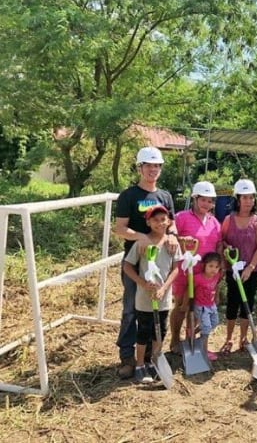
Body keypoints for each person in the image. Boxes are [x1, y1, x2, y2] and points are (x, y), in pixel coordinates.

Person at [113, 146, 179, 379]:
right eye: (149, 165)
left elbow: (172, 224)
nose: (153, 170)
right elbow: (119, 228)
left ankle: (150, 357)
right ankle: (128, 357)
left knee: (157, 311)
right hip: (136, 261)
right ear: (140, 168)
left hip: (160, 262)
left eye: (157, 166)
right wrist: (140, 236)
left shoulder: (165, 196)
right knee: (132, 309)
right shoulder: (129, 196)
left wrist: (172, 235)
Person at [122, 205, 181, 383]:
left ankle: (154, 360)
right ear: (148, 222)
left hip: (163, 299)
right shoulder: (142, 243)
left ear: (169, 221)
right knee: (144, 331)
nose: (160, 223)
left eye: (163, 219)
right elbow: (127, 266)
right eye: (155, 220)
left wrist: (164, 289)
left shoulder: (172, 244)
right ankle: (140, 364)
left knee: (160, 331)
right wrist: (142, 284)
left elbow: (176, 270)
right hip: (144, 298)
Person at [170, 181, 223, 354]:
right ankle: (175, 340)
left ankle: (192, 338)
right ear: (195, 198)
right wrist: (181, 240)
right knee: (181, 307)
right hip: (185, 271)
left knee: (200, 308)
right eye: (203, 200)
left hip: (206, 275)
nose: (206, 204)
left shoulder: (214, 222)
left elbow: (218, 247)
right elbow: (170, 237)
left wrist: (219, 271)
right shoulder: (181, 217)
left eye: (210, 201)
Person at [220, 179, 257, 353]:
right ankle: (229, 338)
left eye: (251, 197)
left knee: (248, 303)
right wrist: (226, 247)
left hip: (252, 270)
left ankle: (244, 338)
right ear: (237, 199)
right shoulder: (228, 219)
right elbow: (222, 240)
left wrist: (250, 268)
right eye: (244, 197)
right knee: (233, 303)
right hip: (233, 268)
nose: (248, 201)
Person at [194, 252, 223, 361]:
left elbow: (217, 286)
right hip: (201, 306)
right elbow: (189, 290)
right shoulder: (198, 278)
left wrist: (217, 297)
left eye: (216, 267)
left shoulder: (217, 276)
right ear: (204, 265)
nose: (213, 269)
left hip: (211, 305)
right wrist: (185, 303)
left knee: (214, 323)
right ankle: (204, 350)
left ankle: (194, 332)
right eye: (210, 266)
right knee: (206, 329)